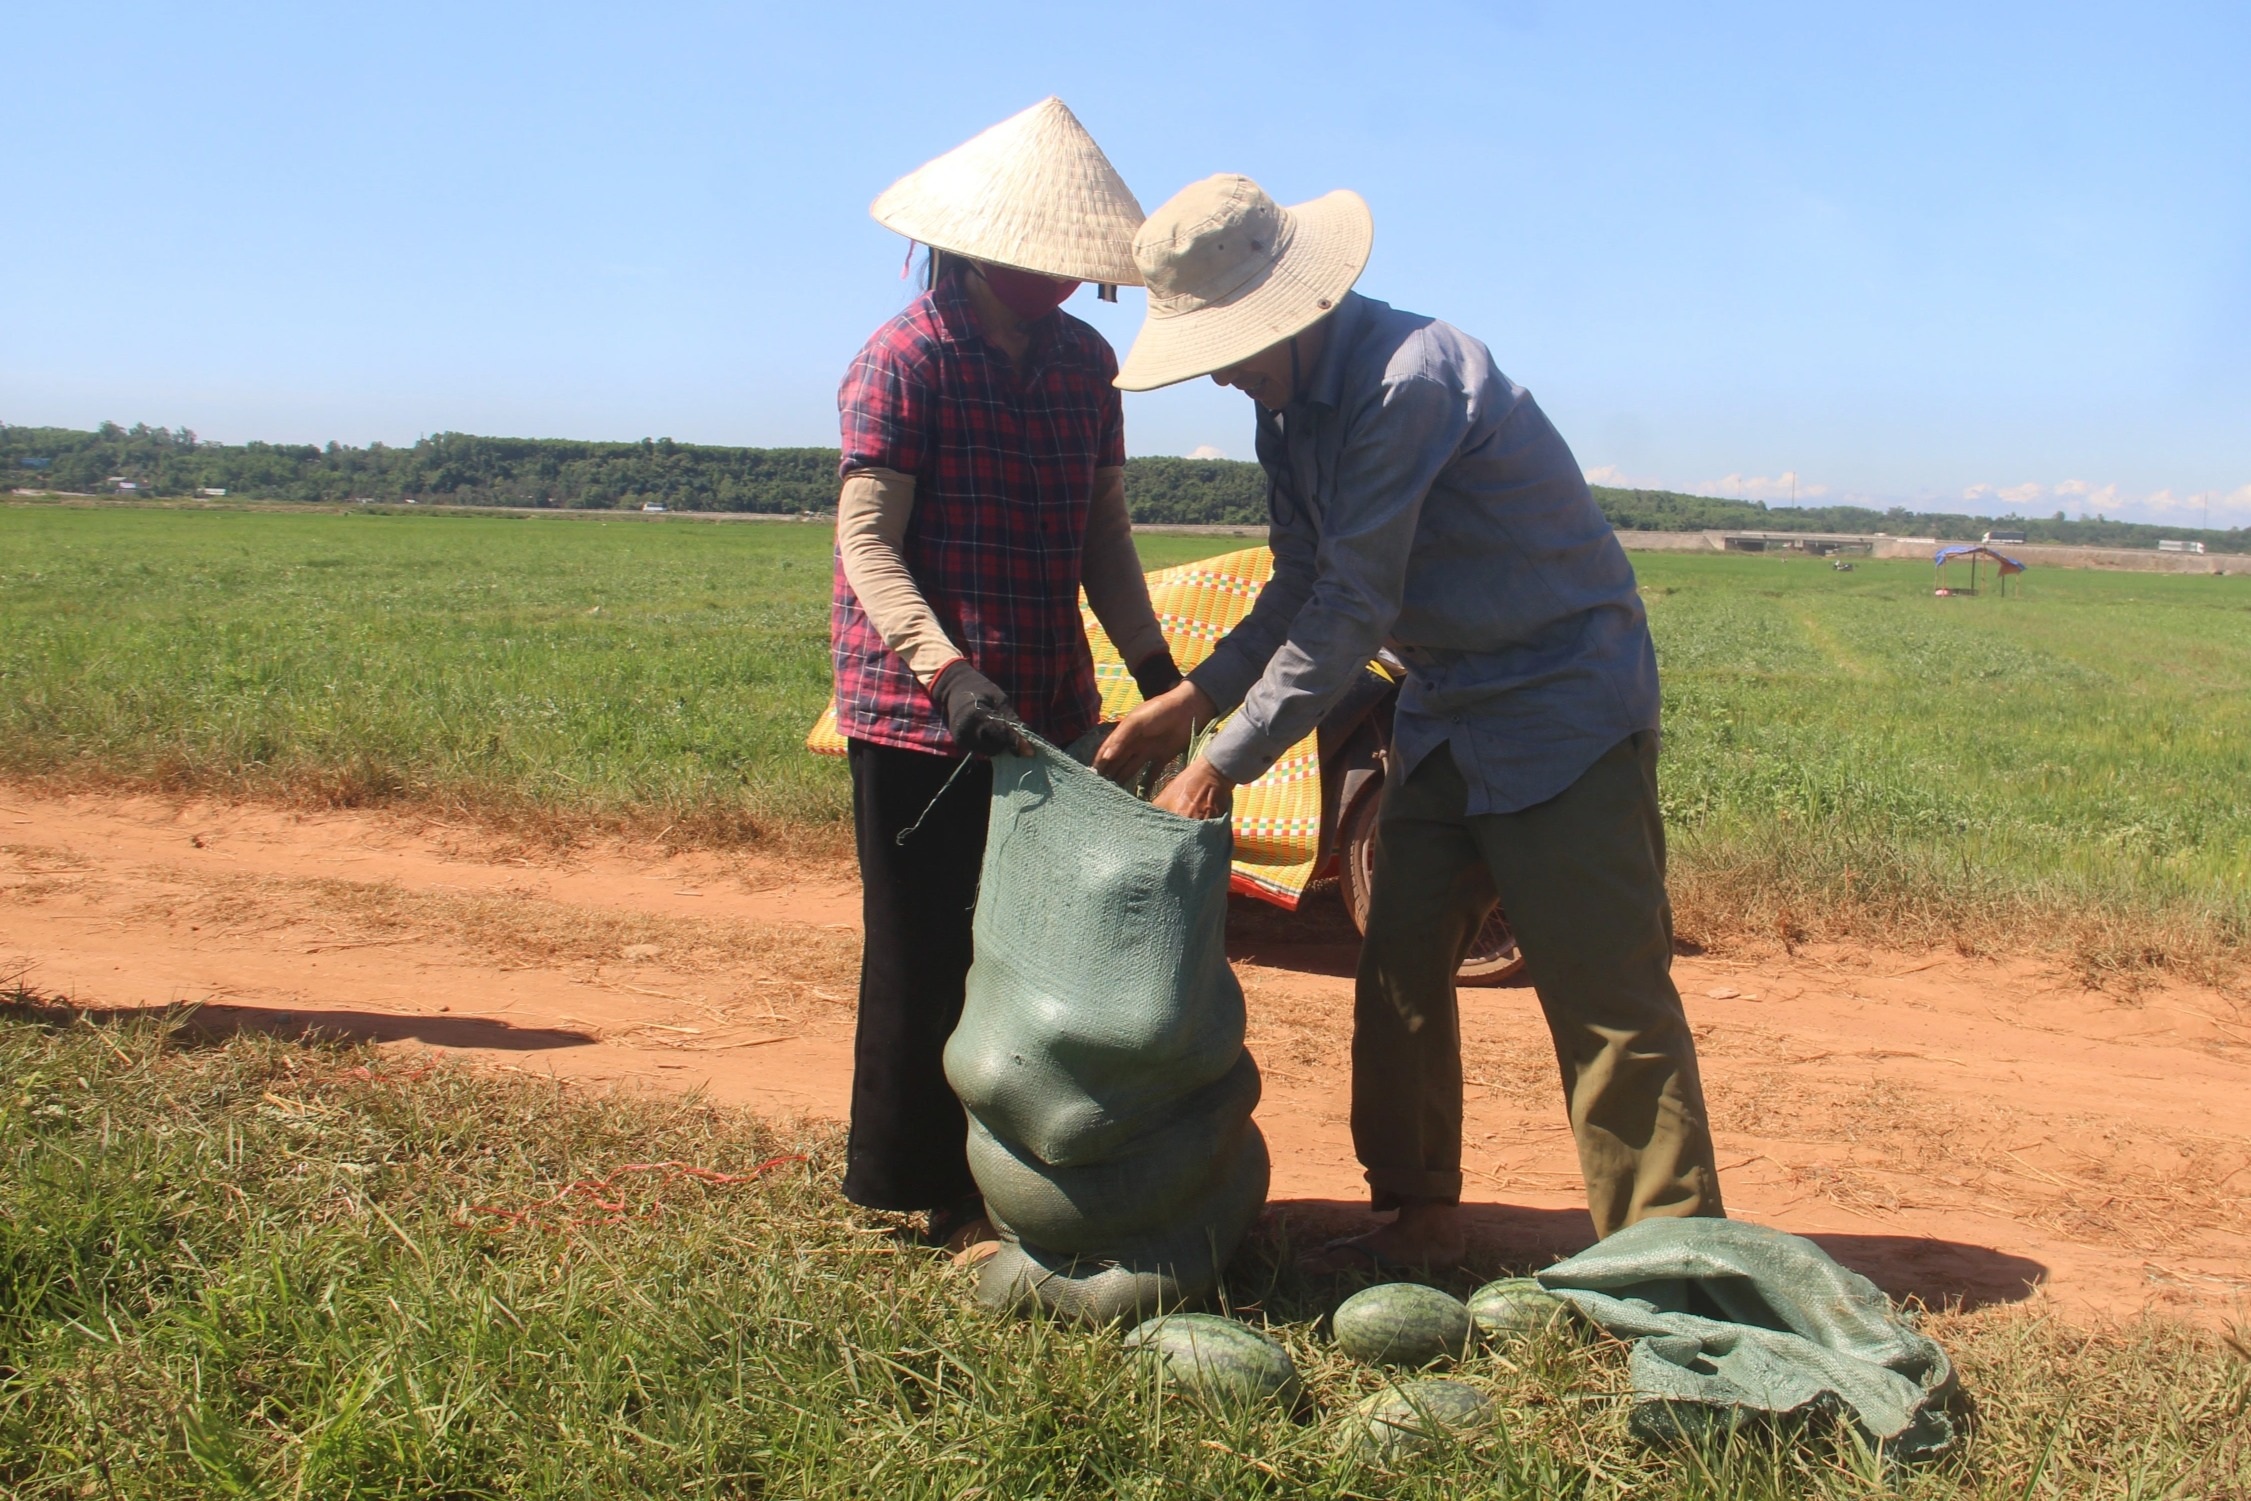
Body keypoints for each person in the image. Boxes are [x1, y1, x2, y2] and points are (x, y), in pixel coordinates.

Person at [1095, 174, 1724, 1267]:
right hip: (1443, 703)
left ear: (1290, 310)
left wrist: (1221, 766)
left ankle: (1670, 1264)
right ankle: (1419, 1215)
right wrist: (1189, 702)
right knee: (1397, 964)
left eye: (1231, 349)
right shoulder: (1286, 413)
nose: (1225, 375)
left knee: (1605, 994)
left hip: (1563, 700)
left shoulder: (1408, 383)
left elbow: (1351, 607)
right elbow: (1299, 584)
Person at [833, 100, 1183, 1249]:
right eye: (1051, 262)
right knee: (927, 947)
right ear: (987, 250)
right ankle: (918, 1178)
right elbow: (869, 544)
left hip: (1048, 699)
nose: (1072, 282)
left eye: (1083, 267)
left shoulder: (1086, 365)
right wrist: (946, 673)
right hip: (918, 712)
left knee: (1034, 948)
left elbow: (1102, 533)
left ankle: (1021, 1165)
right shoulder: (904, 359)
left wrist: (1151, 662)